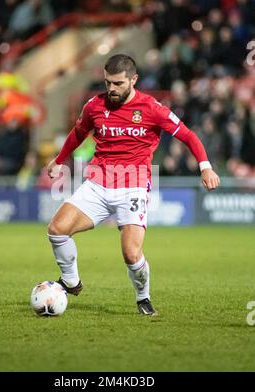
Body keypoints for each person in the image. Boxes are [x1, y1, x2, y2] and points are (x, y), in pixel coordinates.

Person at [46, 54, 220, 316]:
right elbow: (79, 132)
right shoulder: (95, 106)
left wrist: (205, 166)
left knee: (130, 253)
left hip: (133, 186)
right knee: (57, 230)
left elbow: (188, 135)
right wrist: (59, 160)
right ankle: (71, 280)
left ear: (133, 80)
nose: (111, 89)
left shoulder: (152, 108)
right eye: (107, 83)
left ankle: (143, 297)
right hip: (97, 183)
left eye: (117, 84)